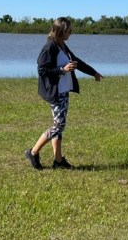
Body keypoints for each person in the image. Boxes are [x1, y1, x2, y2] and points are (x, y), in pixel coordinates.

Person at [25, 17, 103, 170]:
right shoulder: (49, 47)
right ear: (61, 31)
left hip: (64, 90)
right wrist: (62, 70)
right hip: (55, 92)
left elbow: (76, 61)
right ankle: (33, 152)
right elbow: (42, 71)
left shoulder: (62, 45)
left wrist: (93, 73)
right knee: (59, 126)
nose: (71, 33)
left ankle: (58, 160)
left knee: (58, 125)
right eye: (69, 30)